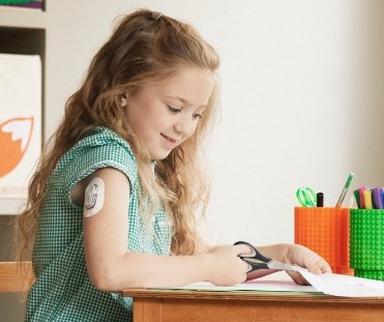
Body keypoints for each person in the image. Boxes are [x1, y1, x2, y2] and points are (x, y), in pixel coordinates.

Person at [17, 8, 331, 321]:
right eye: (175, 108)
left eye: (196, 114)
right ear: (125, 89)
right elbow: (111, 270)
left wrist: (277, 257)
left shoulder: (144, 166)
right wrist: (210, 267)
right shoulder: (110, 165)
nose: (186, 127)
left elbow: (174, 266)